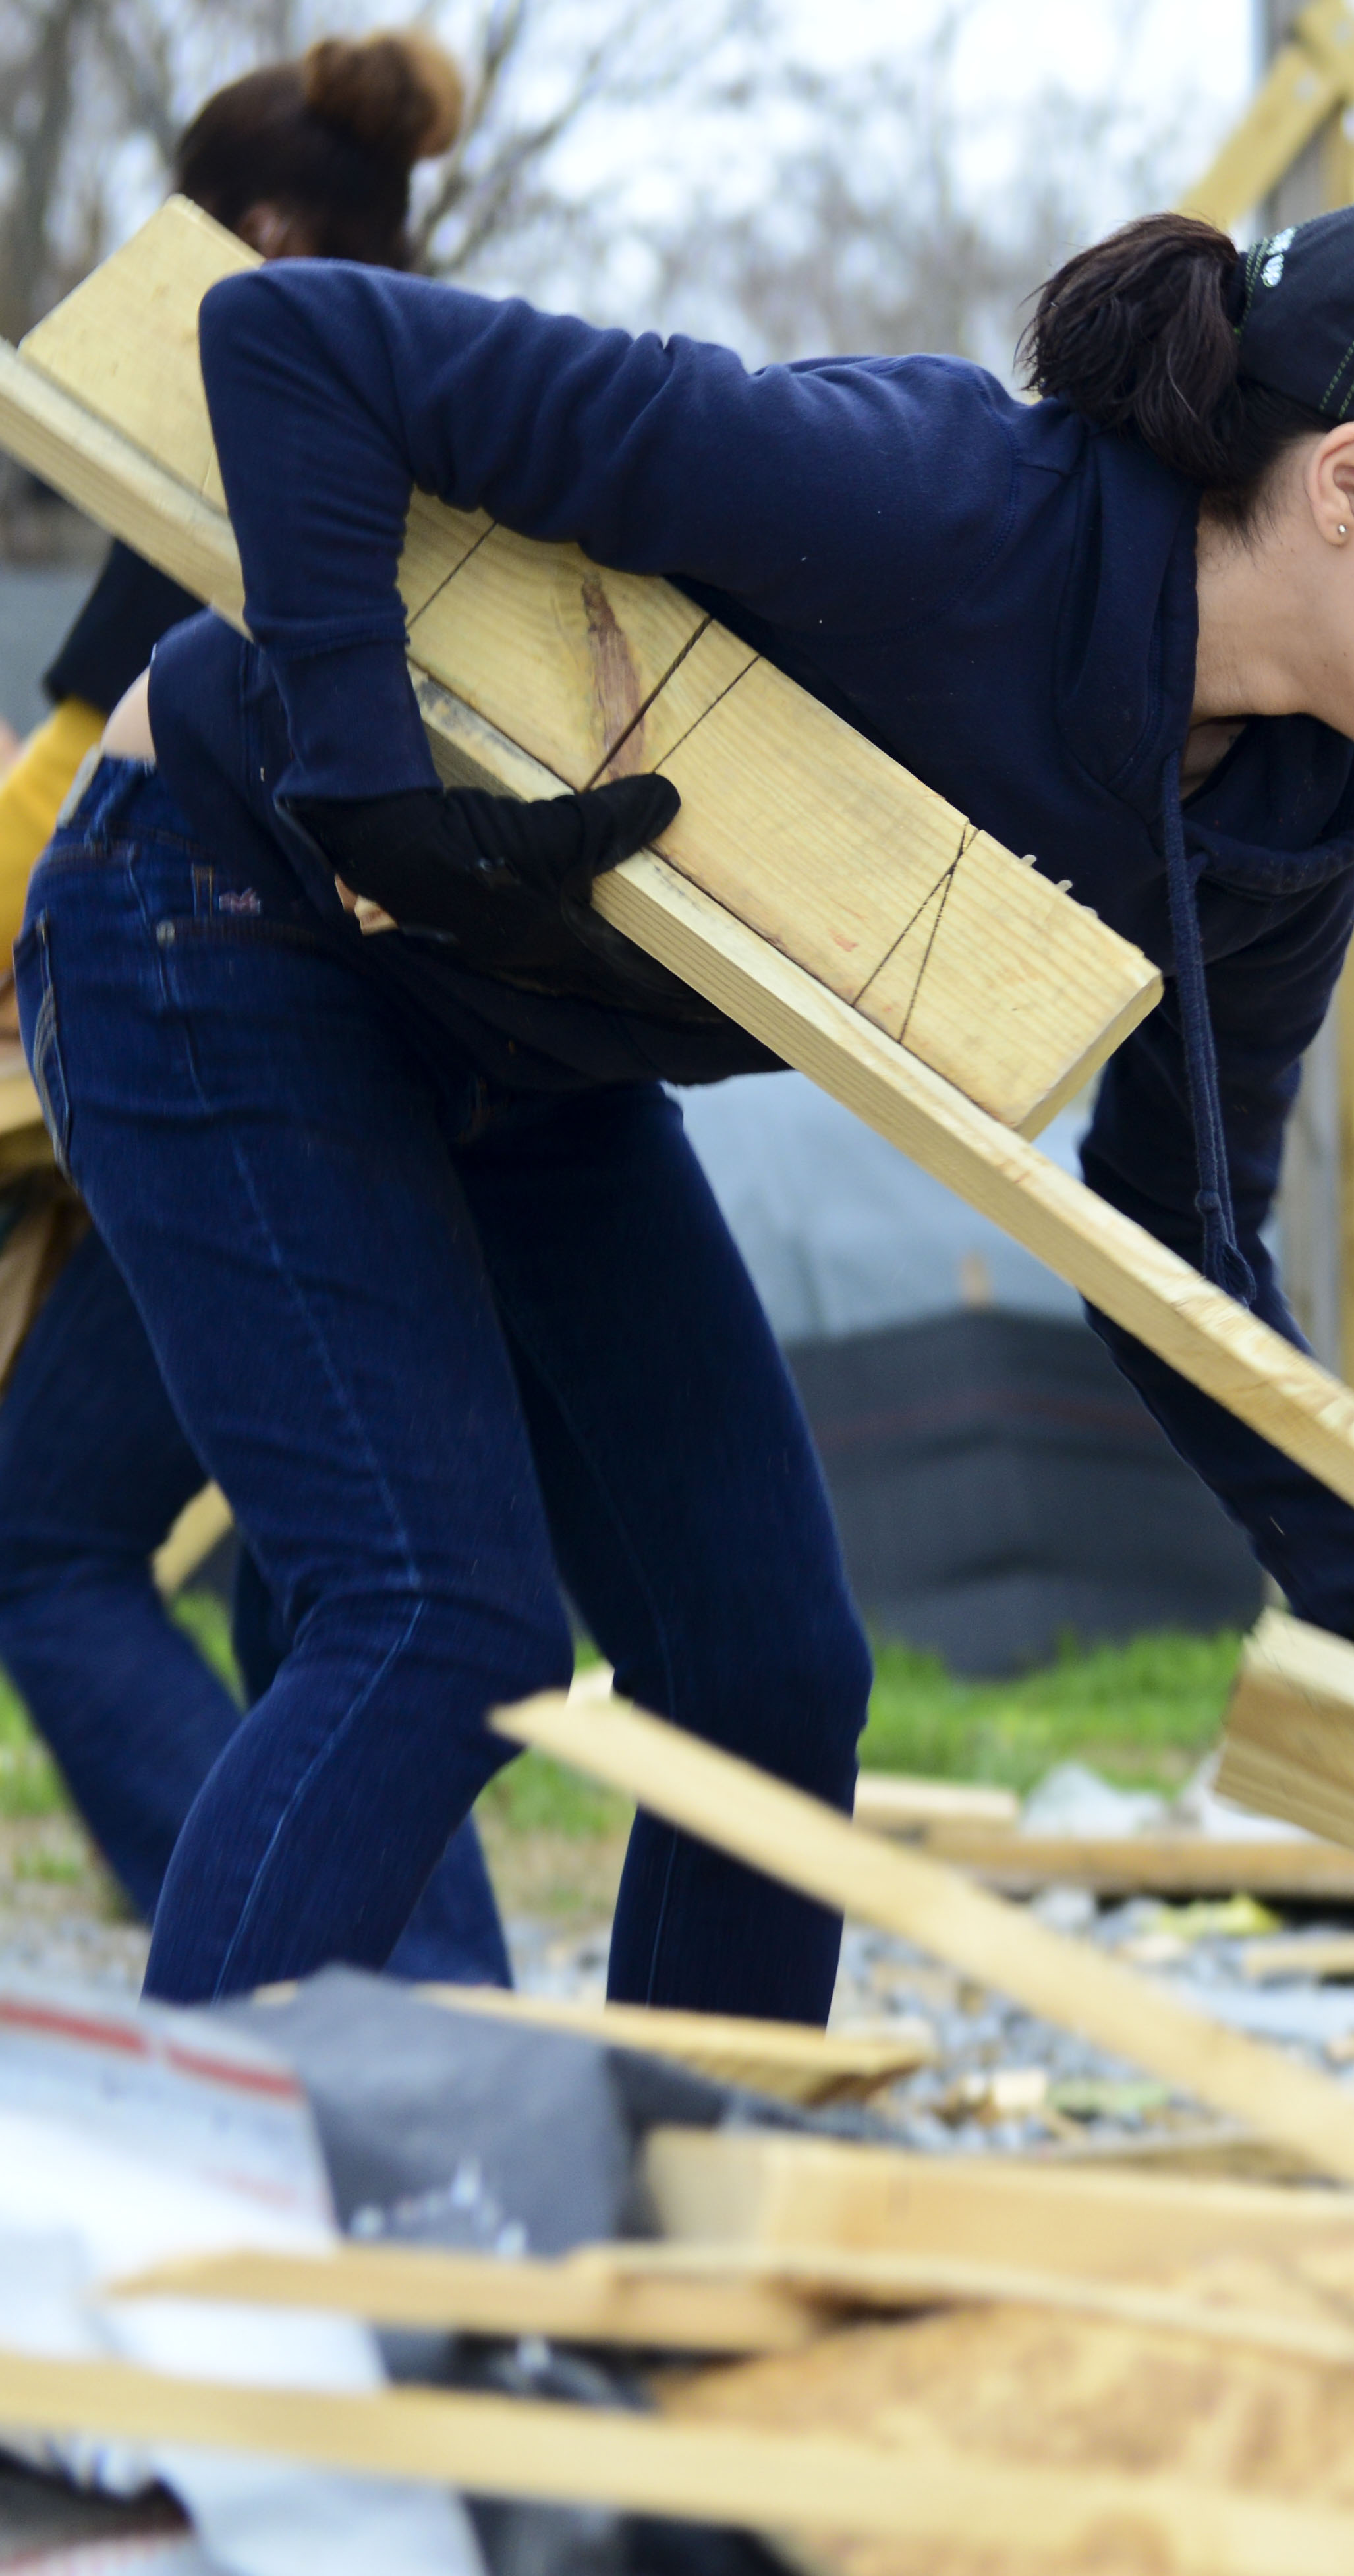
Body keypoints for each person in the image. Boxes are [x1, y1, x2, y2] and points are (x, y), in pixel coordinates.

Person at [32, 192, 1354, 2014]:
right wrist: (368, 794)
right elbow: (294, 345)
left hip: (535, 1052)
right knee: (436, 1618)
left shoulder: (1291, 818)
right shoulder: (932, 505)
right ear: (1352, 483)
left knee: (768, 1671)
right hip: (228, 910)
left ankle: (701, 2179)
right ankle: (187, 2177)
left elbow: (1174, 1230)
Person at [0, 31, 507, 1986]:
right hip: (434, 1039)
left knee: (61, 1542)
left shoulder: (243, 408)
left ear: (263, 234)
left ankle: (327, 1998)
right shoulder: (454, 409)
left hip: (232, 1029)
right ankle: (421, 2014)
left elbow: (66, 787)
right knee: (358, 1586)